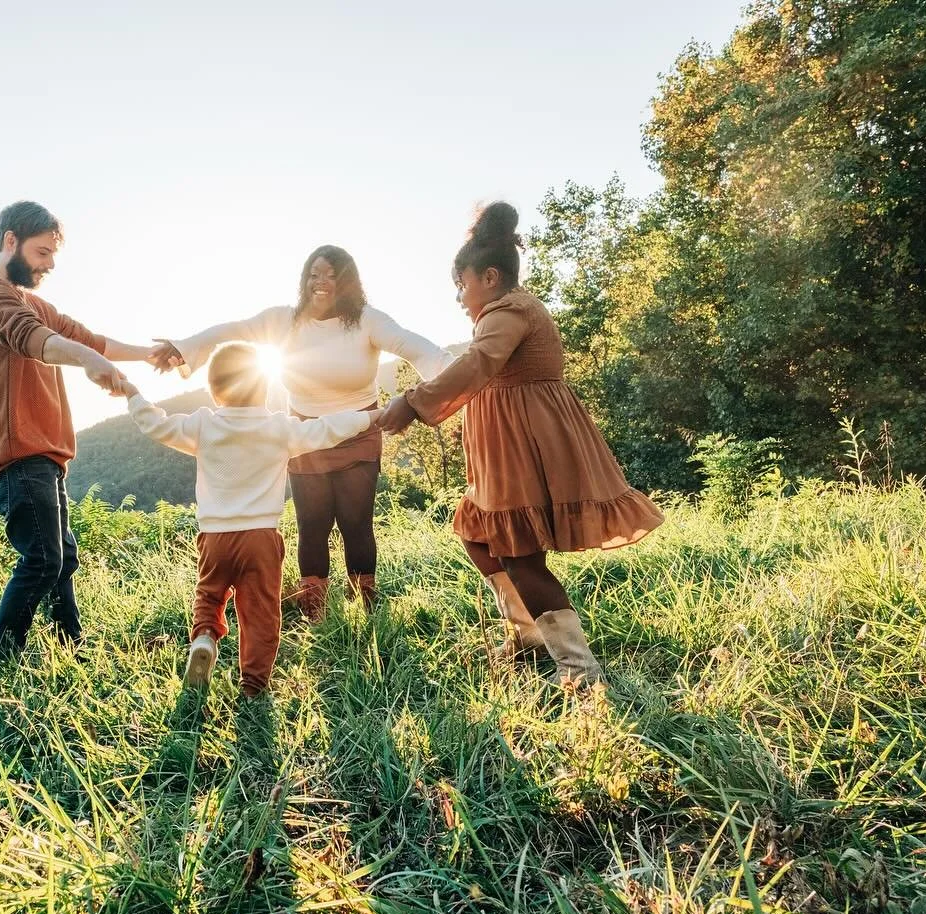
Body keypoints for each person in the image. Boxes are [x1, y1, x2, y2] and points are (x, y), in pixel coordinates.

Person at [380, 202, 664, 685]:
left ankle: (579, 669)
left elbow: (478, 364)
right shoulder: (510, 309)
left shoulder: (510, 312)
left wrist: (413, 402)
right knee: (478, 535)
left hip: (526, 447)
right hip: (507, 449)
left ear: (489, 277)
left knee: (519, 554)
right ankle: (530, 636)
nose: (459, 297)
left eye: (462, 284)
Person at [150, 246, 451, 617]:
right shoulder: (284, 321)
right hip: (304, 434)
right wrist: (183, 349)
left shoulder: (367, 320)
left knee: (356, 524)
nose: (321, 282)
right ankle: (316, 610)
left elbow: (412, 345)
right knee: (313, 525)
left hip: (359, 430)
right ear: (304, 280)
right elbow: (234, 330)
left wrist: (455, 373)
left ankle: (368, 607)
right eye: (314, 274)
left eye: (331, 275)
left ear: (348, 283)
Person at [123, 343, 381, 696]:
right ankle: (254, 685)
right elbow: (327, 429)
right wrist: (372, 417)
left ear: (215, 390)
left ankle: (204, 636)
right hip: (260, 537)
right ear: (264, 389)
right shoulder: (279, 427)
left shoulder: (202, 425)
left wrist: (131, 392)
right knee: (260, 614)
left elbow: (156, 424)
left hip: (214, 536)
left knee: (209, 594)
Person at [0, 200, 154, 655]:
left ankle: (72, 646)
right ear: (11, 241)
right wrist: (89, 361)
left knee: (62, 559)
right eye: (42, 253)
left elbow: (86, 338)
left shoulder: (33, 302)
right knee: (43, 560)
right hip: (17, 451)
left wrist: (148, 355)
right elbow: (32, 339)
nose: (49, 264)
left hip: (45, 453)